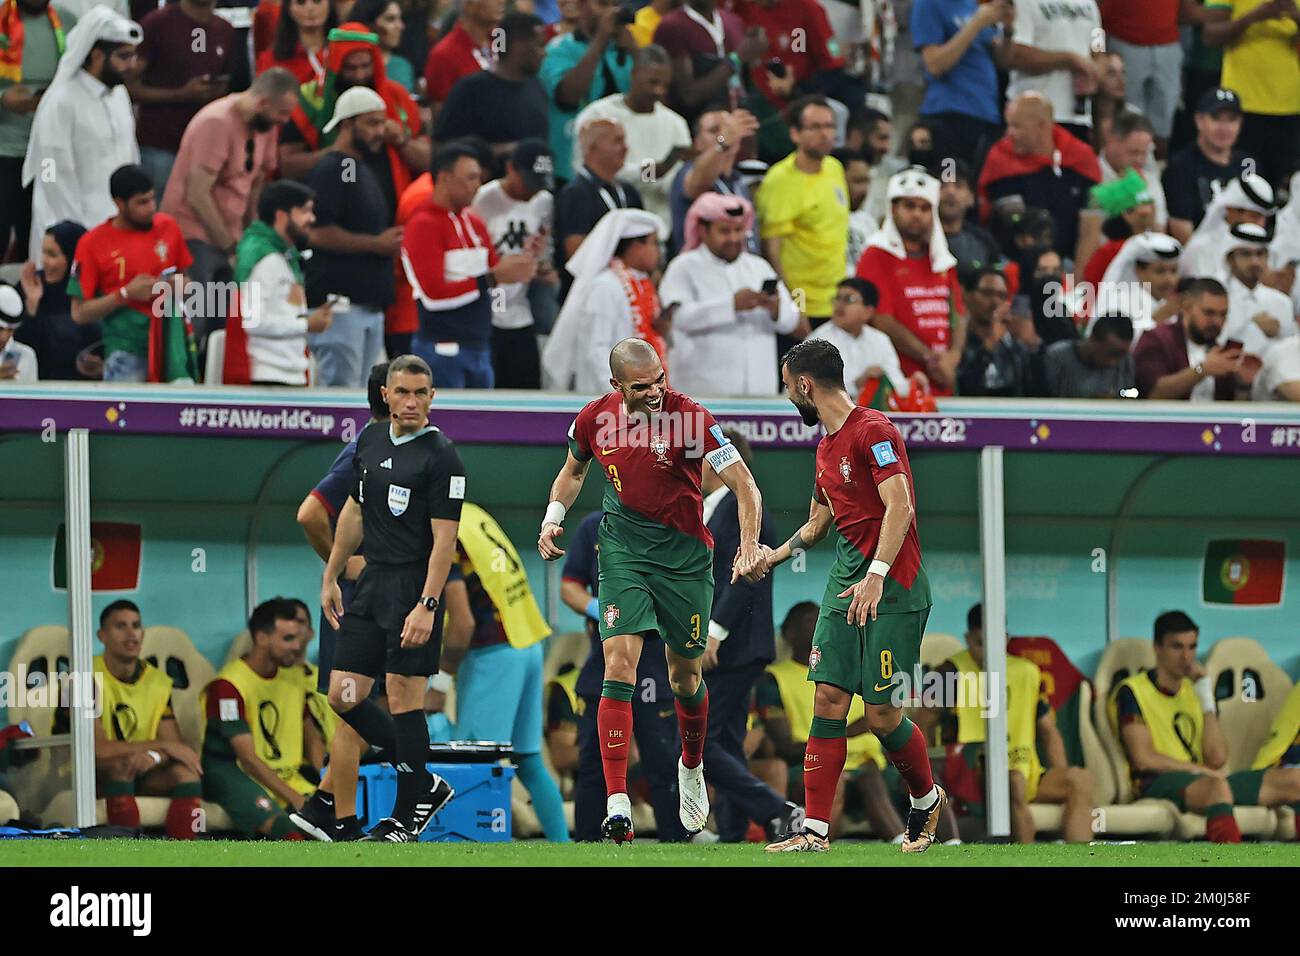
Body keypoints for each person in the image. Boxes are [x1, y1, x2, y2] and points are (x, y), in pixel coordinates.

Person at [537, 337, 767, 842]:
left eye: (661, 379)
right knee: (618, 661)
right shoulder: (594, 419)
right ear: (616, 386)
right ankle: (617, 799)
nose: (657, 392)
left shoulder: (691, 418)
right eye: (642, 387)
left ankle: (691, 766)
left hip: (685, 559)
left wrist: (747, 545)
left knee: (684, 677)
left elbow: (746, 486)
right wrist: (554, 517)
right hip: (622, 551)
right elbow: (573, 471)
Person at [756, 337, 945, 853]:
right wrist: (773, 554)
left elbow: (899, 506)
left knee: (882, 715)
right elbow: (818, 524)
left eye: (787, 386)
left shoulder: (875, 430)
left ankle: (926, 799)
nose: (787, 396)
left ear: (805, 384)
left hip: (895, 588)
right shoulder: (823, 446)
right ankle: (815, 831)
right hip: (845, 586)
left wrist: (878, 574)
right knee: (829, 697)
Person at [320, 355, 465, 842]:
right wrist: (332, 573)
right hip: (371, 583)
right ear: (386, 393)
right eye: (402, 392)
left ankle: (405, 819)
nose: (410, 402)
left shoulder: (442, 455)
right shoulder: (369, 440)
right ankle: (425, 780)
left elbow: (445, 540)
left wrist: (427, 604)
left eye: (420, 393)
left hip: (412, 585)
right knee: (342, 695)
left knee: (405, 698)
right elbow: (352, 513)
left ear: (431, 397)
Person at [291, 362, 388, 842]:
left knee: (363, 705)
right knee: (353, 703)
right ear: (389, 397)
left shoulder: (387, 450)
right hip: (355, 601)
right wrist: (344, 563)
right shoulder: (362, 452)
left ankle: (323, 804)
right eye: (410, 392)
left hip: (377, 599)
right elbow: (310, 513)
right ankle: (340, 822)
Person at [431, 504, 569, 841]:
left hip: (495, 652)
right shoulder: (472, 513)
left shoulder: (441, 527)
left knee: (474, 765)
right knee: (528, 759)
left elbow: (462, 624)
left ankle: (479, 849)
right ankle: (565, 849)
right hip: (528, 641)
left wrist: (441, 681)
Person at [1111, 610, 1300, 843]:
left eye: (1192, 647)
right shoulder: (1132, 691)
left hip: (1207, 780)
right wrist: (1199, 771)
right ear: (1157, 648)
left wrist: (1205, 696)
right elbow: (1144, 759)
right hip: (1157, 782)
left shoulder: (1195, 692)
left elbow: (1217, 758)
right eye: (1177, 647)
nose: (1187, 657)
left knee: (1295, 779)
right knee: (1216, 787)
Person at [698, 427, 802, 842]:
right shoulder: (714, 509)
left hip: (732, 645)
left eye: (704, 458)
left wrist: (714, 632)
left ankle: (777, 808)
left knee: (697, 743)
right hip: (728, 645)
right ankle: (734, 831)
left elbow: (747, 579)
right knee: (726, 740)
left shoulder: (746, 510)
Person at [559, 510, 689, 841]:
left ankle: (675, 845)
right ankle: (586, 845)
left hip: (653, 666)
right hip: (603, 665)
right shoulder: (595, 526)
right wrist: (598, 609)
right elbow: (570, 586)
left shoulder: (671, 522)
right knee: (591, 765)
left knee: (662, 765)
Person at [923, 603, 1096, 843]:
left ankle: (1081, 857)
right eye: (979, 643)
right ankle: (1024, 856)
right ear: (967, 638)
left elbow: (1048, 732)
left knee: (1079, 779)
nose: (986, 652)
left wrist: (1059, 770)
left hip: (1024, 768)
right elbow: (922, 723)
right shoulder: (949, 672)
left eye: (993, 642)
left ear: (1005, 638)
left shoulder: (1027, 672)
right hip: (972, 775)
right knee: (1013, 781)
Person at [160, 67, 301, 341]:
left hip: (231, 238)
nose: (284, 121)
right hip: (193, 237)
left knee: (226, 324)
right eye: (281, 113)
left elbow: (256, 182)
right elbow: (198, 194)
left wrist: (250, 237)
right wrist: (230, 247)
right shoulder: (216, 122)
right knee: (195, 322)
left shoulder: (266, 126)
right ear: (262, 103)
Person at [754, 601, 902, 842]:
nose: (822, 626)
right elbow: (784, 747)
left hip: (866, 765)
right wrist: (846, 733)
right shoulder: (774, 680)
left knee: (878, 774)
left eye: (824, 620)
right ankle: (816, 845)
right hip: (807, 765)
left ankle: (917, 842)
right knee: (841, 778)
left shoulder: (851, 671)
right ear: (789, 635)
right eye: (810, 621)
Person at [401, 143, 538, 389]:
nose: (477, 185)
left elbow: (496, 281)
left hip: (480, 347)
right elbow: (433, 295)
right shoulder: (422, 225)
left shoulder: (474, 224)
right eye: (471, 177)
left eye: (479, 178)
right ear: (444, 178)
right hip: (442, 349)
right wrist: (493, 278)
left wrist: (522, 263)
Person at [21, 7, 141, 261]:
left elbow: (130, 158)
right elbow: (51, 172)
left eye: (133, 56)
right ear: (96, 56)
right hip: (70, 234)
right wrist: (77, 238)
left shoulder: (119, 95)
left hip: (116, 227)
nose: (132, 65)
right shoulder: (61, 101)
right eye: (124, 57)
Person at [302, 86, 401, 388]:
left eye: (382, 123)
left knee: (366, 404)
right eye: (371, 123)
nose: (380, 131)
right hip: (341, 307)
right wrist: (376, 244)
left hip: (368, 305)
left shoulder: (361, 168)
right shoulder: (333, 169)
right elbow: (315, 233)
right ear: (347, 124)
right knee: (340, 400)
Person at [659, 191, 797, 396]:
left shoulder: (759, 267)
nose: (733, 238)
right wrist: (731, 305)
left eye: (739, 230)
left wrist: (776, 309)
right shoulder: (683, 267)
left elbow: (791, 320)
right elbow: (679, 320)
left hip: (759, 393)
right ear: (703, 230)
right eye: (724, 231)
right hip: (702, 396)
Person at [200, 598, 317, 840]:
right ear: (262, 638)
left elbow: (312, 735)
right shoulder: (227, 686)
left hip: (285, 775)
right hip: (234, 773)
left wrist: (324, 780)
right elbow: (248, 759)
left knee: (336, 826)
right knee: (291, 834)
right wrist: (295, 798)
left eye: (298, 637)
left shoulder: (293, 677)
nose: (298, 646)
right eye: (288, 639)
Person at [68, 164, 194, 384]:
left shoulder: (168, 228)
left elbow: (187, 282)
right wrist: (124, 295)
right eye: (142, 203)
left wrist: (183, 286)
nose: (152, 207)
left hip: (170, 347)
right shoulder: (92, 244)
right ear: (119, 203)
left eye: (153, 199)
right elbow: (79, 313)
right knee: (126, 417)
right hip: (127, 350)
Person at [90, 600, 204, 840]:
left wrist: (154, 756)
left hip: (141, 769)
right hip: (89, 774)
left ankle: (187, 857)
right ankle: (128, 857)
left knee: (186, 772)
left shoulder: (158, 681)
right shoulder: (80, 677)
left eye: (136, 625)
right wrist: (161, 747)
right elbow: (96, 751)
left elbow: (177, 747)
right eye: (120, 626)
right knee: (122, 767)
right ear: (102, 636)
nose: (131, 634)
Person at [855, 165, 966, 397]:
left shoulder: (941, 258)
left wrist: (951, 360)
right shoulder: (876, 254)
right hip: (897, 385)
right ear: (893, 208)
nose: (917, 214)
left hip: (942, 381)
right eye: (909, 206)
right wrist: (929, 358)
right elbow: (881, 319)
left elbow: (959, 315)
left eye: (925, 208)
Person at [278, 23, 428, 185]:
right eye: (350, 68)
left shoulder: (397, 97)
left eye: (365, 66)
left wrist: (401, 140)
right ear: (336, 67)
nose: (359, 76)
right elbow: (287, 167)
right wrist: (335, 153)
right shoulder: (309, 101)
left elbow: (428, 160)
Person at [542, 208, 667, 393]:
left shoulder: (642, 284)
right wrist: (619, 396)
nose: (658, 252)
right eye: (654, 243)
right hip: (607, 396)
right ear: (635, 246)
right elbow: (596, 349)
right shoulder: (605, 286)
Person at [222, 179, 334, 385]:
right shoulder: (263, 258)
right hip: (267, 377)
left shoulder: (284, 257)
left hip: (288, 372)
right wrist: (306, 324)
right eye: (305, 211)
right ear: (282, 215)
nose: (312, 218)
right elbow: (252, 321)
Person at [470, 138, 556, 390]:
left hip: (520, 311)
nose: (532, 191)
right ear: (510, 169)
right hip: (486, 313)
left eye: (538, 185)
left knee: (528, 387)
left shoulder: (544, 201)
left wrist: (541, 266)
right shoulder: (482, 200)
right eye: (528, 182)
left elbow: (542, 248)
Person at [754, 95, 847, 329]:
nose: (825, 134)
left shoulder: (835, 168)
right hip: (803, 305)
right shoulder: (780, 181)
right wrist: (793, 309)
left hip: (835, 303)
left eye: (829, 126)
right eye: (815, 127)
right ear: (795, 133)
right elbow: (771, 253)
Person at [573, 44, 691, 226]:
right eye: (653, 82)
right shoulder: (598, 116)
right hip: (606, 223)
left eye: (665, 85)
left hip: (661, 227)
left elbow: (674, 182)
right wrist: (653, 171)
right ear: (634, 74)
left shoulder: (676, 124)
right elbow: (585, 171)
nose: (658, 91)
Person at [978, 92, 1101, 262]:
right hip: (1012, 264)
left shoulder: (1080, 158)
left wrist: (1079, 281)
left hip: (1069, 265)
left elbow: (1091, 224)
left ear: (1042, 126)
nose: (1009, 134)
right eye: (1009, 125)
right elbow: (1009, 222)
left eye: (1016, 126)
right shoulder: (1000, 158)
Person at [128, 0, 235, 197]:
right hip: (160, 145)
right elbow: (128, 87)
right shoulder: (157, 23)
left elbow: (227, 82)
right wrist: (180, 94)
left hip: (206, 148)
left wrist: (215, 92)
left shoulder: (225, 29)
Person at [0, 0, 78, 262]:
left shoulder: (67, 20)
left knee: (40, 225)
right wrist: (3, 98)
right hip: (6, 149)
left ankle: (29, 293)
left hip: (50, 149)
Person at [434, 11, 548, 174]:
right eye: (540, 45)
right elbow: (441, 148)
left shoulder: (536, 87)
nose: (544, 53)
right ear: (518, 45)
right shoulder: (471, 89)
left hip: (533, 192)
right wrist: (496, 151)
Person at [1202, 0, 1300, 191]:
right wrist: (1253, 17)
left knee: (1276, 184)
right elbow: (1211, 36)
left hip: (1289, 102)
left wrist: (1296, 17)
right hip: (1243, 102)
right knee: (1242, 184)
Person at [539, 0, 635, 184]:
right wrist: (600, 40)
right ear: (581, 6)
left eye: (615, 5)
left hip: (624, 167)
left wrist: (634, 50)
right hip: (569, 168)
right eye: (603, 4)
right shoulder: (559, 49)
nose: (610, 12)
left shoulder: (624, 49)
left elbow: (653, 95)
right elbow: (568, 96)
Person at [911, 0, 1014, 168]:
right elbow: (935, 64)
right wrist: (976, 23)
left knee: (976, 188)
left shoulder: (976, 4)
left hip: (987, 115)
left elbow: (1002, 62)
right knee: (950, 183)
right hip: (949, 114)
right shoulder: (929, 4)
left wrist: (1008, 30)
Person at [552, 117, 643, 301]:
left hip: (628, 291)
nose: (626, 148)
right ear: (592, 148)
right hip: (590, 297)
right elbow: (577, 255)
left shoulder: (629, 191)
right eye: (617, 141)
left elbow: (645, 242)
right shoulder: (576, 194)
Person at [651, 0, 766, 126]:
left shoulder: (734, 21)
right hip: (700, 132)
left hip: (741, 126)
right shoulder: (671, 26)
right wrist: (736, 59)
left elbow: (746, 81)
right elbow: (688, 97)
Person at [1134, 276, 1250, 400]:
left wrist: (1244, 385)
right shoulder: (1156, 339)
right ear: (1186, 308)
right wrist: (1202, 370)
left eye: (1223, 314)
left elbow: (1231, 409)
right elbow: (1153, 394)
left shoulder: (1219, 352)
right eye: (1209, 313)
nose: (1217, 321)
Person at [1162, 86, 1253, 244]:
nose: (1224, 127)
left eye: (1231, 119)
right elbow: (1182, 230)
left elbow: (1258, 218)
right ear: (1199, 120)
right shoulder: (1181, 166)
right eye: (1216, 118)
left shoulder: (1248, 164)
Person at [1004, 0, 1103, 144]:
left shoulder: (1090, 4)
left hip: (1080, 117)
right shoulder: (1022, 2)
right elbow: (1014, 55)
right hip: (1032, 117)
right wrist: (1068, 59)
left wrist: (1095, 71)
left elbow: (1099, 46)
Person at [15, 220, 99, 380]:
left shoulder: (90, 291)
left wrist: (99, 365)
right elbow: (18, 349)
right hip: (34, 385)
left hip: (80, 387)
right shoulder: (30, 284)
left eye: (52, 255)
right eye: (43, 253)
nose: (44, 262)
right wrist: (32, 307)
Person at [806, 278, 909, 409]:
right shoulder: (817, 342)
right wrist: (856, 385)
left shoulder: (880, 340)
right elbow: (810, 390)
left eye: (848, 299)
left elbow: (895, 383)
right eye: (838, 298)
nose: (840, 305)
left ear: (868, 311)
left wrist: (911, 384)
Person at [668, 106, 758, 255]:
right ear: (697, 142)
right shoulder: (687, 172)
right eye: (714, 130)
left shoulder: (739, 181)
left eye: (729, 129)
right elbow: (698, 184)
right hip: (702, 272)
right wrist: (723, 141)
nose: (724, 134)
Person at [1099, 0, 1182, 153]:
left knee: (1165, 115)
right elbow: (1096, 14)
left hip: (1168, 41)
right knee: (1127, 110)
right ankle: (1124, 163)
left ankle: (1156, 168)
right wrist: (1099, 52)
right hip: (1125, 38)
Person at [955, 265, 1035, 397]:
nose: (995, 302)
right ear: (966, 296)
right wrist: (989, 345)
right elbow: (964, 388)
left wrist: (1032, 342)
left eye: (1001, 295)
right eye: (987, 293)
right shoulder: (957, 344)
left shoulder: (1014, 348)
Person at [1178, 171, 1274, 280]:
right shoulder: (1201, 248)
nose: (1260, 224)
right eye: (1255, 216)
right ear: (1231, 210)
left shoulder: (1265, 248)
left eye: (1264, 218)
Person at [1222, 221, 1295, 357]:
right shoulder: (1218, 299)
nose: (1254, 262)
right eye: (1246, 254)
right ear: (1230, 259)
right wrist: (1254, 329)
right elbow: (1215, 349)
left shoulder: (1282, 302)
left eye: (1260, 254)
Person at [1094, 231, 1182, 338]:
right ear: (1138, 271)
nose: (1169, 280)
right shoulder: (1118, 302)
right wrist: (1155, 321)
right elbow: (1117, 346)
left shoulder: (1165, 303)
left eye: (1174, 271)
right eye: (1160, 271)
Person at [1082, 170, 1158, 292]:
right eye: (1145, 204)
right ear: (1127, 214)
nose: (1151, 210)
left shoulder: (1154, 243)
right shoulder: (1110, 252)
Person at [422, 0, 500, 118]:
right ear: (470, 4)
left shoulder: (501, 39)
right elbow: (443, 120)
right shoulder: (444, 55)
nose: (502, 1)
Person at [1097, 110, 1168, 232]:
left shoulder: (1150, 180)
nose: (1139, 160)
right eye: (1133, 152)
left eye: (1144, 153)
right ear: (1112, 142)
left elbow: (1159, 230)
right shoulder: (1091, 174)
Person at [1042, 313, 1136, 398]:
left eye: (1121, 355)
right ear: (1093, 339)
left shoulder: (1125, 361)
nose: (1113, 362)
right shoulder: (1057, 358)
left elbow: (1129, 397)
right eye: (1110, 353)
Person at [935, 158, 1001, 274]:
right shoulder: (917, 237)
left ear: (971, 198)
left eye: (958, 185)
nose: (950, 191)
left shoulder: (984, 241)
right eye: (943, 185)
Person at [257, 0, 336, 84]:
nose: (310, 8)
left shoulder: (342, 50)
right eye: (301, 2)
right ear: (288, 8)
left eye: (317, 1)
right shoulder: (271, 60)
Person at [350, 0, 415, 92]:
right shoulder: (354, 66)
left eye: (400, 18)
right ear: (369, 24)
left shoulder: (403, 66)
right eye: (390, 19)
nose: (400, 26)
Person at [834, 149, 877, 276]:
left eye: (867, 181)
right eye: (857, 181)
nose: (865, 190)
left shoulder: (867, 221)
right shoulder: (820, 220)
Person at [0, 283, 38, 380]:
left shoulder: (26, 356)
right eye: (0, 328)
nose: (4, 337)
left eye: (10, 330)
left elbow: (31, 394)